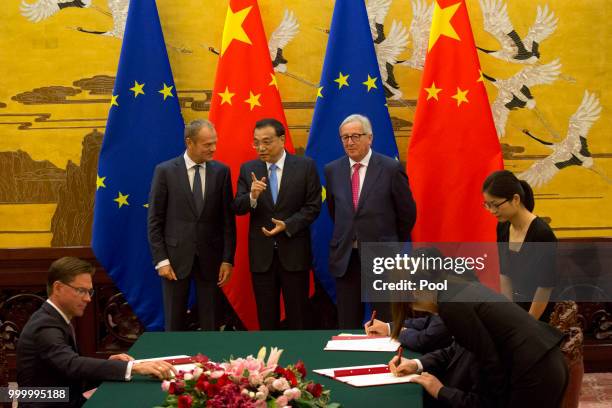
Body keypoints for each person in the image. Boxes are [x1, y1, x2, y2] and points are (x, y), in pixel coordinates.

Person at [389, 262, 568, 407]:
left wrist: (442, 392)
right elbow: (460, 348)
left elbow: (488, 365)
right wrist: (416, 364)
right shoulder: (456, 289)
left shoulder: (451, 304)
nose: (417, 310)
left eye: (411, 305)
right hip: (546, 359)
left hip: (535, 371)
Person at [16, 257, 176, 408]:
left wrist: (111, 364)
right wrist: (133, 367)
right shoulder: (45, 326)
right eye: (81, 291)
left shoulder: (53, 317)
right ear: (58, 287)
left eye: (89, 292)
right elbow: (71, 365)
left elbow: (68, 366)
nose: (88, 299)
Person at [325, 114, 416, 329]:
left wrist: (391, 242)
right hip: (346, 257)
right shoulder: (332, 170)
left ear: (370, 138)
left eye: (355, 136)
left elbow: (407, 213)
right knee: (348, 323)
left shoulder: (390, 168)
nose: (349, 142)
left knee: (384, 321)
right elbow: (335, 210)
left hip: (381, 256)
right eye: (345, 137)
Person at [148, 119, 236, 331]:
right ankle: (174, 362)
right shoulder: (166, 171)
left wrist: (227, 259)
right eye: (207, 144)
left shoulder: (221, 172)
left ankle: (211, 363)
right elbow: (154, 220)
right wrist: (161, 260)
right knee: (174, 321)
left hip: (210, 259)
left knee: (211, 321)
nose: (213, 148)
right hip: (175, 260)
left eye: (214, 143)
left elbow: (227, 219)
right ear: (190, 142)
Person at [233, 118, 321, 329]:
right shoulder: (248, 169)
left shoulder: (304, 166)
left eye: (267, 141)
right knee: (266, 319)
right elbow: (237, 206)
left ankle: (300, 360)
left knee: (298, 317)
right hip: (262, 258)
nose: (261, 148)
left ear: (282, 140)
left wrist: (288, 225)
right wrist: (252, 196)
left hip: (294, 254)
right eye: (256, 142)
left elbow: (313, 207)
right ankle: (269, 363)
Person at [482, 170, 557, 321]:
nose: (491, 211)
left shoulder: (542, 234)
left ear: (515, 199)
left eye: (495, 205)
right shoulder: (503, 228)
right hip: (517, 308)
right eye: (487, 205)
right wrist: (510, 314)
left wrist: (527, 323)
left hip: (539, 312)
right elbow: (504, 274)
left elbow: (545, 288)